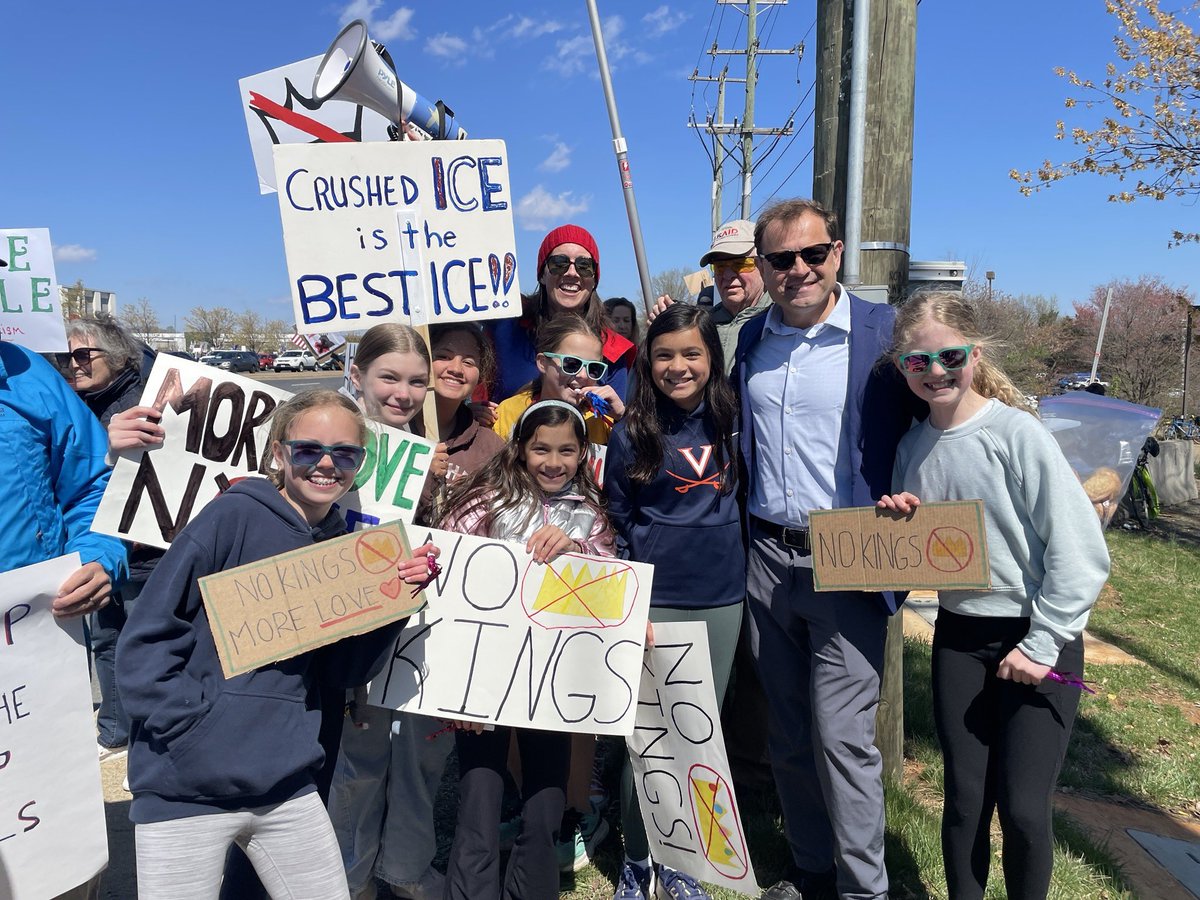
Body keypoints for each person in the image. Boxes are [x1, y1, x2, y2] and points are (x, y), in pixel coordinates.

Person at [116, 389, 437, 899]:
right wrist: (185, 724)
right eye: (309, 449)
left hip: (287, 784)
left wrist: (396, 599)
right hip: (184, 784)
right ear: (279, 453)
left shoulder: (343, 548)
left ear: (360, 464)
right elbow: (148, 633)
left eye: (345, 454)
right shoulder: (231, 516)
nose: (327, 465)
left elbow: (341, 672)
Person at [877, 292, 1109, 900]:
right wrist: (898, 521)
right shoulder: (910, 448)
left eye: (950, 357)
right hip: (959, 638)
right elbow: (917, 552)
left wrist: (1042, 644)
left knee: (1025, 808)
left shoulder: (1016, 434)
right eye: (917, 361)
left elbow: (1080, 551)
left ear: (975, 355)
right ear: (902, 366)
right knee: (965, 801)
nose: (935, 372)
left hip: (1036, 637)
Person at [730, 198, 922, 900]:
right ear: (762, 267)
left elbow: (942, 412)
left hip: (852, 552)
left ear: (837, 254)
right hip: (767, 556)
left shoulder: (885, 333)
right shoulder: (750, 341)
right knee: (787, 731)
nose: (800, 270)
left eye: (814, 254)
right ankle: (811, 868)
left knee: (843, 738)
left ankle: (863, 888)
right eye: (782, 259)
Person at [330, 322, 502, 900]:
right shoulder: (337, 438)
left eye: (415, 381)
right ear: (358, 375)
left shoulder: (478, 448)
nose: (403, 393)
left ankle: (405, 869)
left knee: (423, 757)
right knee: (357, 761)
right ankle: (350, 878)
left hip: (435, 628)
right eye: (389, 378)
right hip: (355, 628)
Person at [437, 399, 616, 900]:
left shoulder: (588, 515)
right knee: (479, 797)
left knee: (545, 800)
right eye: (541, 449)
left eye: (566, 451)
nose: (553, 462)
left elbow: (611, 577)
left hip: (552, 682)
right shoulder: (484, 502)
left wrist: (577, 549)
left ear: (583, 454)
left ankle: (532, 888)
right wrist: (460, 687)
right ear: (519, 449)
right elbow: (449, 571)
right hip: (485, 680)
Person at [604, 304, 745, 900]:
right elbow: (616, 522)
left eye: (692, 353)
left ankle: (686, 863)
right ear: (647, 362)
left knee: (701, 736)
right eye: (663, 354)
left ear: (713, 358)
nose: (678, 366)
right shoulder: (629, 432)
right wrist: (632, 605)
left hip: (723, 598)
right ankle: (638, 858)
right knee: (648, 739)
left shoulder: (736, 420)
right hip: (655, 603)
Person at [0, 266, 128, 898]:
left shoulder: (30, 376)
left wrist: (98, 556)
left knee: (53, 853)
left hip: (34, 658)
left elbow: (94, 484)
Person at [62, 316, 154, 762]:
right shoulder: (74, 406)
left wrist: (112, 450)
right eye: (65, 357)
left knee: (142, 649)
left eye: (83, 354)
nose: (73, 365)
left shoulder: (148, 402)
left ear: (116, 356)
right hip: (98, 551)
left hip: (146, 555)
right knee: (106, 639)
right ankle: (115, 730)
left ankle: (148, 742)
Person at [488, 224, 635, 403]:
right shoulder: (507, 327)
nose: (572, 273)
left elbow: (614, 416)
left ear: (594, 280)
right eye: (559, 263)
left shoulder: (613, 349)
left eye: (584, 266)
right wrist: (470, 412)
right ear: (542, 275)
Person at [649, 219, 771, 374]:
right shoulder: (702, 325)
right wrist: (663, 331)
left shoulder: (780, 320)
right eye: (719, 266)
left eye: (740, 264)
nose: (728, 275)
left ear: (762, 265)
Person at [492, 316, 622, 444]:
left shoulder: (603, 418)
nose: (583, 375)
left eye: (594, 368)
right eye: (571, 364)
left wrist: (623, 417)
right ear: (543, 363)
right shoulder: (508, 413)